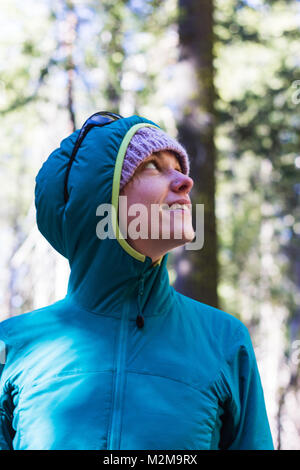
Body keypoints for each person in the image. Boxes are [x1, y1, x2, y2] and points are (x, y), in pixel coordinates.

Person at [0, 112, 274, 450]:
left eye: (179, 168)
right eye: (153, 166)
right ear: (98, 200)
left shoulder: (225, 340)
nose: (185, 182)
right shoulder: (12, 346)